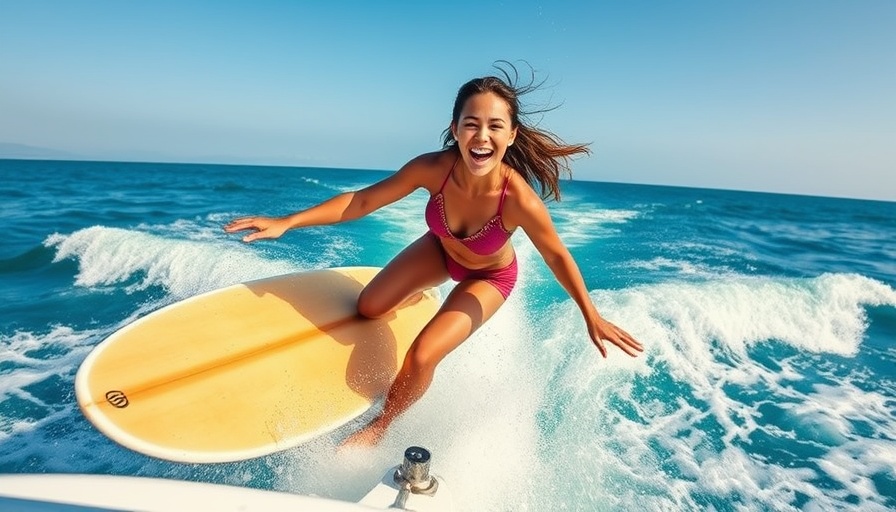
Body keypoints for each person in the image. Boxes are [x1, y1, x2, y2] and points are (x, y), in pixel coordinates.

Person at [224, 62, 643, 447]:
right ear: (455, 128)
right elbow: (362, 201)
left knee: (423, 355)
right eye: (471, 124)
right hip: (439, 252)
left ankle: (381, 425)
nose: (482, 136)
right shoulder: (431, 168)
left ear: (511, 135)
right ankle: (417, 294)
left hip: (489, 279)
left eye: (495, 126)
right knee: (368, 307)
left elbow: (556, 256)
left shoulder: (518, 199)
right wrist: (287, 221)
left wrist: (591, 314)